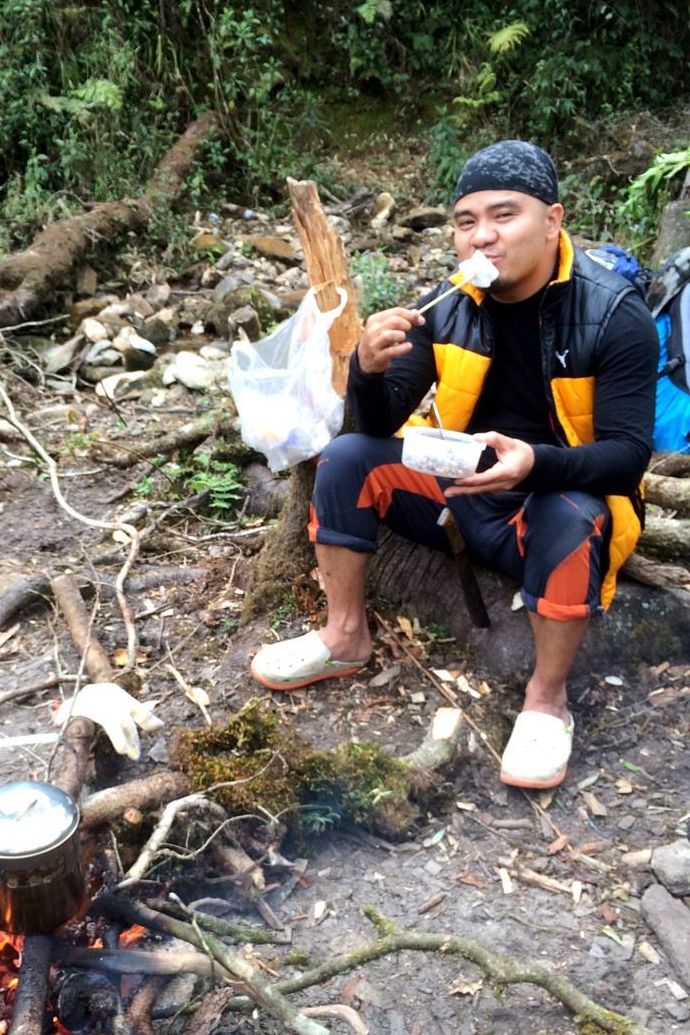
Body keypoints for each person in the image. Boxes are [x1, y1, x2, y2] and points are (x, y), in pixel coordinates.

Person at [250, 140, 658, 789]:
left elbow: (628, 457)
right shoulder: (452, 303)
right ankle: (345, 635)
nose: (482, 238)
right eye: (466, 222)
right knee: (349, 457)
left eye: (504, 216)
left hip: (553, 501)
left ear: (552, 221)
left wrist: (535, 465)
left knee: (571, 510)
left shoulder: (612, 313)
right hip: (466, 489)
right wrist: (363, 369)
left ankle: (547, 701)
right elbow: (382, 423)